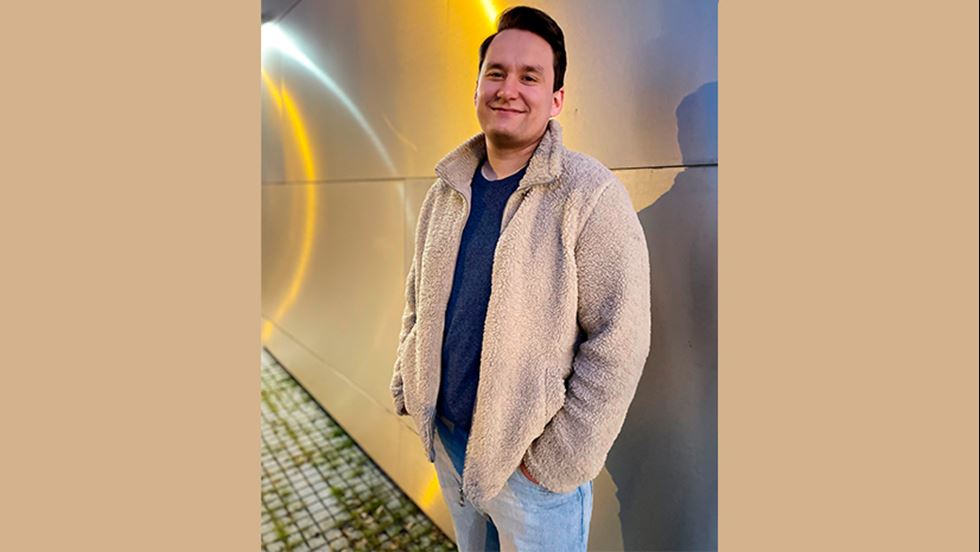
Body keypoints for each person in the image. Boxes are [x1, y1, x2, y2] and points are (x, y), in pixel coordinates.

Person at [390, 6, 651, 550]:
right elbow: (418, 299)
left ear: (556, 99)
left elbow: (620, 342)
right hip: (450, 446)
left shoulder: (589, 195)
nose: (508, 89)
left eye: (530, 77)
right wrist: (409, 384)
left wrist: (555, 462)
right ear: (477, 87)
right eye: (496, 73)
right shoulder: (447, 190)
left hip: (531, 475)